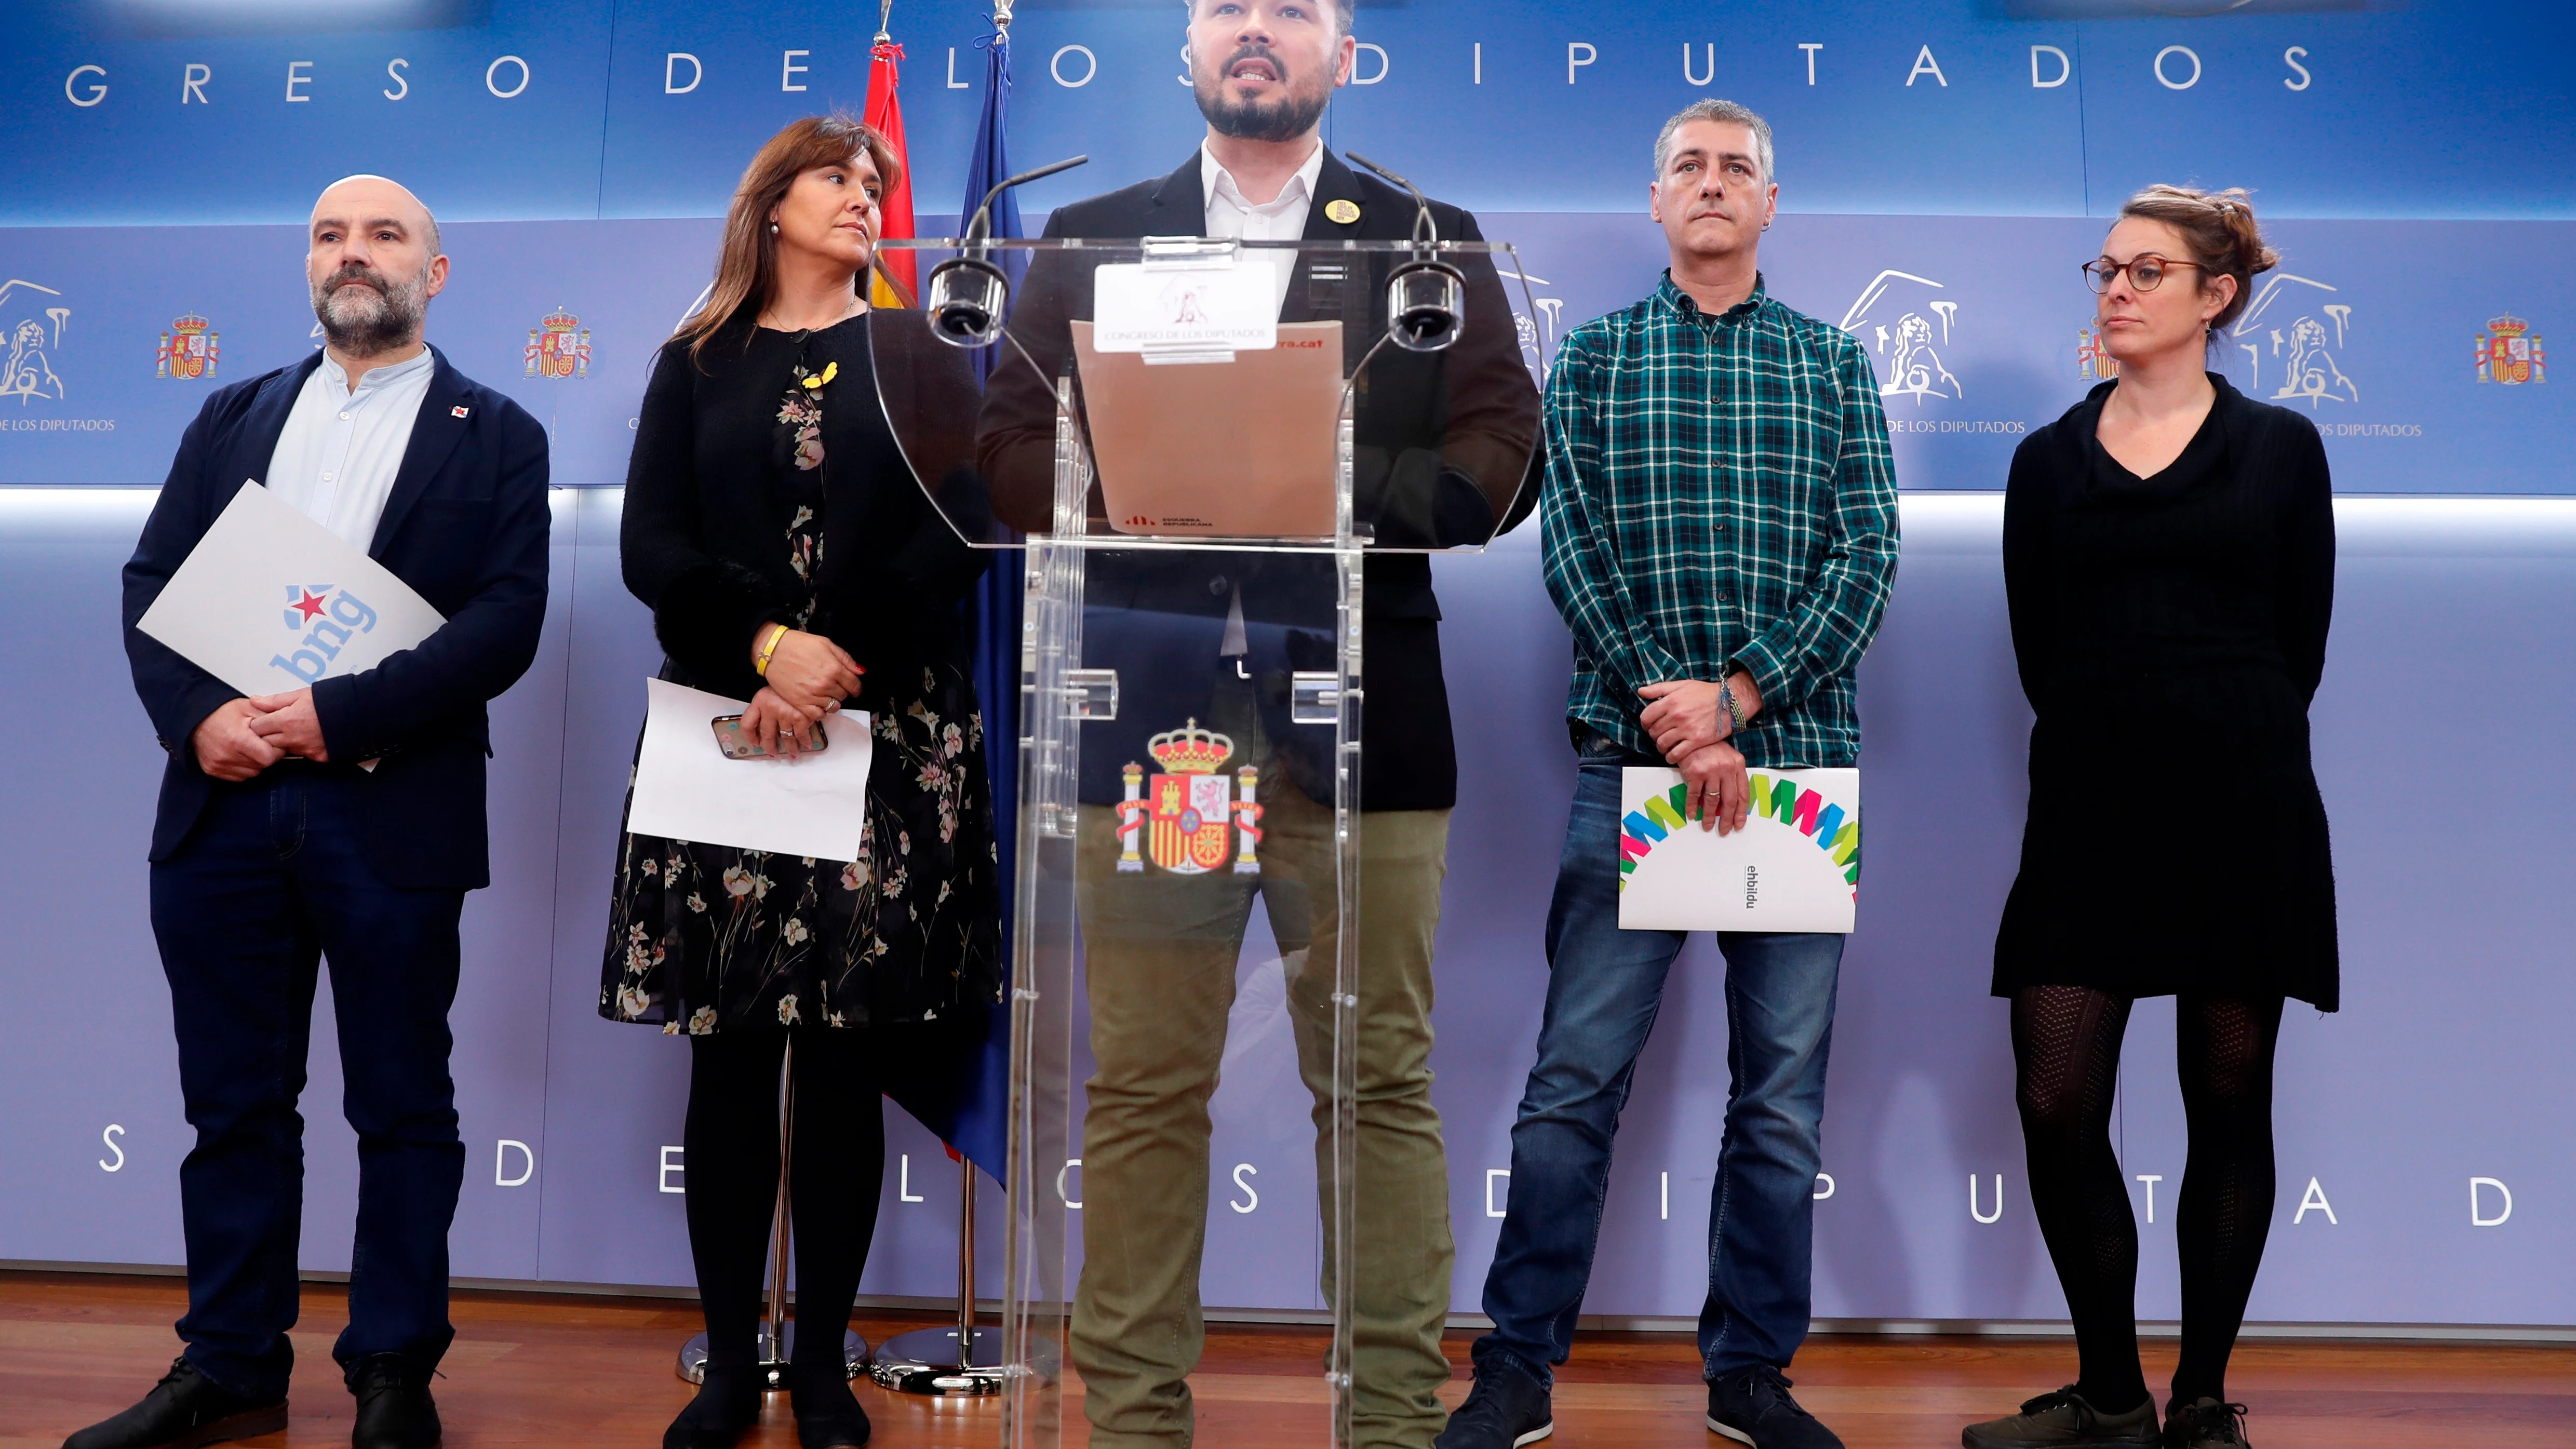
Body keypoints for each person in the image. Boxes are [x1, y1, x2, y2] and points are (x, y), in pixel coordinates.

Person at [973, 2, 1539, 1445]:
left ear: (1342, 53)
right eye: (1228, 6)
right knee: (1146, 1081)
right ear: (1190, 47)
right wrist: (1152, 487)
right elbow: (1008, 444)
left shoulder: (1427, 233)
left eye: (1292, 10)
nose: (1256, 32)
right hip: (1149, 719)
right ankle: (1137, 1423)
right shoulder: (1098, 229)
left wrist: (1323, 490)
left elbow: (1500, 450)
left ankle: (1398, 1421)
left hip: (1364, 721)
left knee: (1380, 1081)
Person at [1439, 100, 1899, 1449]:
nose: (1712, 185)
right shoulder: (1589, 359)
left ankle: (1750, 1375)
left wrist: (1741, 699)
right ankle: (1517, 1367)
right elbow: (1572, 549)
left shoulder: (1831, 362)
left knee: (1781, 1100)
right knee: (1573, 1084)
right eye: (1688, 167)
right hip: (1628, 768)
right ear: (1657, 203)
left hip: (1799, 777)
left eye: (1735, 168)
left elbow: (1865, 553)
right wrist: (1682, 720)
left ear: (1771, 204)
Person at [100, 176, 551, 1449]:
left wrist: (334, 717)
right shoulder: (229, 415)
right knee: (233, 1107)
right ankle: (231, 1362)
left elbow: (505, 622)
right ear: (310, 265)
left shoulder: (501, 432)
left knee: (403, 1105)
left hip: (389, 813)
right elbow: (151, 581)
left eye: (384, 235)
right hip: (223, 807)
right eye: (330, 236)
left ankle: (394, 1370)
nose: (354, 255)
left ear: (435, 272)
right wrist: (199, 717)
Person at [601, 114, 1002, 1449]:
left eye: (875, 178)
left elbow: (963, 534)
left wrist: (837, 662)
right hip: (731, 732)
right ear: (771, 204)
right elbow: (650, 546)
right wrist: (767, 649)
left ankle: (823, 1368)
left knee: (838, 1064)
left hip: (887, 744)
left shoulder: (929, 355)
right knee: (729, 1067)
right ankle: (733, 1363)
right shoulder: (694, 360)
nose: (864, 193)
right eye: (838, 176)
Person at [1961, 187, 2334, 1449]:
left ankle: (2203, 1401)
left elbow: (2300, 646)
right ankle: (2111, 1392)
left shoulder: (2282, 450)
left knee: (2227, 1099)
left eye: (2145, 271)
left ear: (2213, 298)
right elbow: (2035, 652)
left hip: (2243, 812)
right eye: (2103, 269)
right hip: (2087, 811)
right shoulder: (2041, 462)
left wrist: (2209, 724)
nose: (2113, 290)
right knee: (2056, 1099)